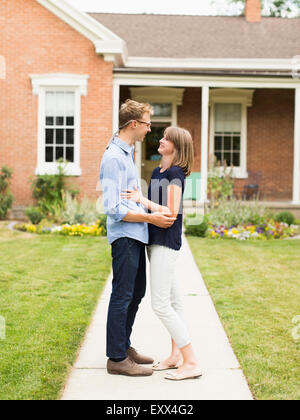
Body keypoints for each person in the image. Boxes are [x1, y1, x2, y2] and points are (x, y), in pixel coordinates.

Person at [100, 99, 176, 377]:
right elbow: (113, 208)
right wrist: (151, 217)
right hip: (125, 237)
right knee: (123, 294)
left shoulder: (127, 152)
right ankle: (117, 358)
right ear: (133, 124)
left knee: (137, 292)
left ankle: (124, 345)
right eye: (146, 123)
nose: (149, 129)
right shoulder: (113, 158)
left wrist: (149, 209)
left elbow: (130, 198)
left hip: (136, 235)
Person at [121, 126, 202, 381]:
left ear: (176, 146)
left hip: (166, 243)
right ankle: (175, 356)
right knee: (175, 301)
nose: (161, 139)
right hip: (154, 242)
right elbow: (158, 211)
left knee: (161, 304)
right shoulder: (158, 171)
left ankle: (191, 361)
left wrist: (141, 200)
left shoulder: (176, 173)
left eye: (167, 138)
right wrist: (142, 202)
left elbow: (170, 213)